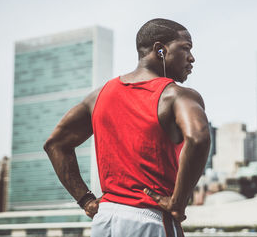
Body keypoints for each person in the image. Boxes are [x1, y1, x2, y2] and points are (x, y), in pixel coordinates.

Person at [43, 18, 211, 237]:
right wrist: (178, 203)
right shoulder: (177, 95)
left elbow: (55, 144)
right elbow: (198, 138)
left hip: (106, 220)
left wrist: (86, 201)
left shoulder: (99, 96)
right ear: (160, 50)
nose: (192, 58)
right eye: (185, 48)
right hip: (150, 219)